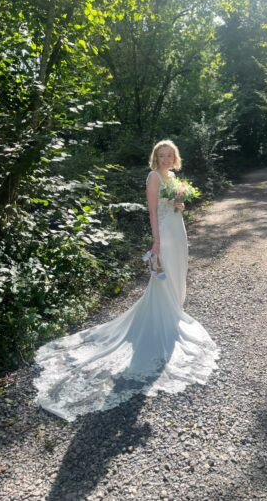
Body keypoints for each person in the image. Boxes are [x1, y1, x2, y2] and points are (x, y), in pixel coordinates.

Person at [33, 140, 219, 421]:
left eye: (170, 155)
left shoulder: (173, 177)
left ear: (175, 158)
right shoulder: (154, 177)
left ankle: (175, 310)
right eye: (162, 155)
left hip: (178, 229)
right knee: (162, 276)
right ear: (155, 157)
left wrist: (179, 204)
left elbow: (172, 206)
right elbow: (153, 211)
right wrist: (156, 241)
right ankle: (165, 317)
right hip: (165, 234)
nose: (166, 159)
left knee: (178, 271)